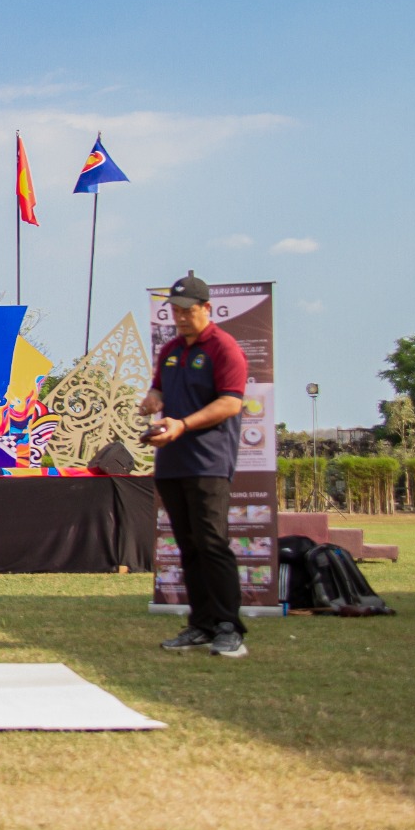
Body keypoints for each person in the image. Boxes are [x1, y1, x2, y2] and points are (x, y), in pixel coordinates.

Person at [138, 272, 250, 658]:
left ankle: (228, 626)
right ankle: (200, 624)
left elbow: (232, 403)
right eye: (175, 310)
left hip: (208, 460)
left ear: (206, 308)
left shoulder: (224, 347)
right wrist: (152, 400)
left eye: (188, 310)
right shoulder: (170, 349)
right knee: (187, 545)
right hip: (171, 461)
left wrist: (183, 424)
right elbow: (159, 388)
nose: (181, 317)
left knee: (212, 543)